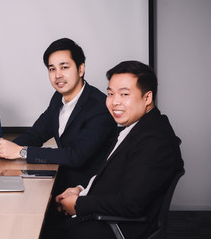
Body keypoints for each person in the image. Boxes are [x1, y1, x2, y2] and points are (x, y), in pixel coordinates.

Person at [56, 61, 184, 238]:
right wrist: (80, 189)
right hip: (106, 214)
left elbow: (131, 203)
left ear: (147, 98)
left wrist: (79, 204)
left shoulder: (154, 140)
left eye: (124, 94)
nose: (114, 102)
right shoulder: (138, 127)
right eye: (110, 94)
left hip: (118, 228)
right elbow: (111, 176)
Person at [0, 38, 115, 202]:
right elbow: (37, 134)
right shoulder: (58, 98)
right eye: (52, 69)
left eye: (64, 67)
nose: (58, 75)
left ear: (81, 68)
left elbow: (76, 155)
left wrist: (20, 151)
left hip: (84, 192)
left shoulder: (99, 106)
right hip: (58, 180)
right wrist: (3, 149)